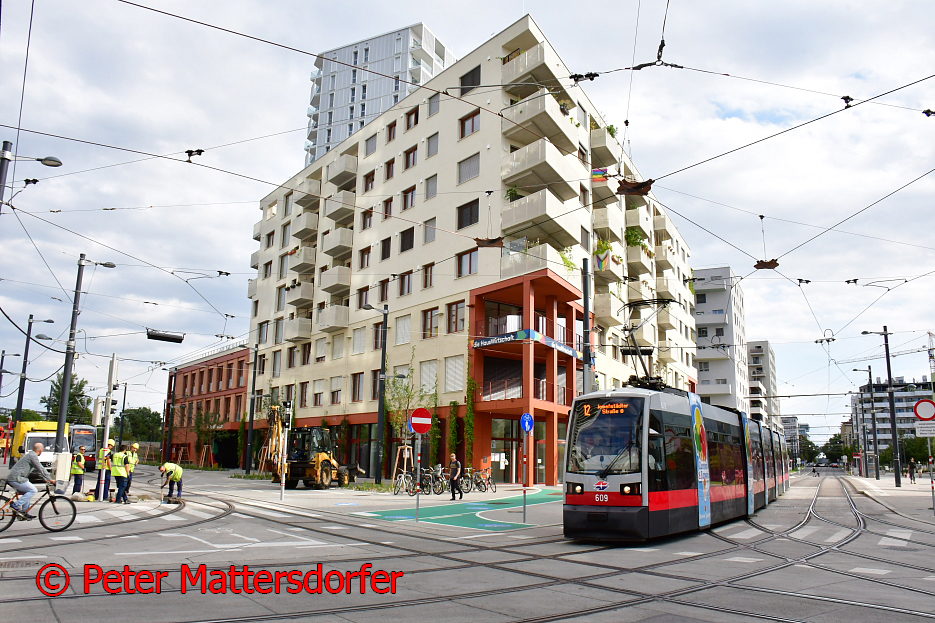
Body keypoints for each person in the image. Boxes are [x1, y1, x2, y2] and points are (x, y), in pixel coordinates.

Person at [7, 443, 54, 519]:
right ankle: (15, 505)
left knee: (28, 492)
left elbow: (38, 471)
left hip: (15, 478)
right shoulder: (32, 456)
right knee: (33, 490)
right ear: (41, 450)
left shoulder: (30, 455)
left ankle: (24, 513)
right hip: (17, 478)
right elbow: (40, 468)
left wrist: (45, 479)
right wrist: (50, 479)